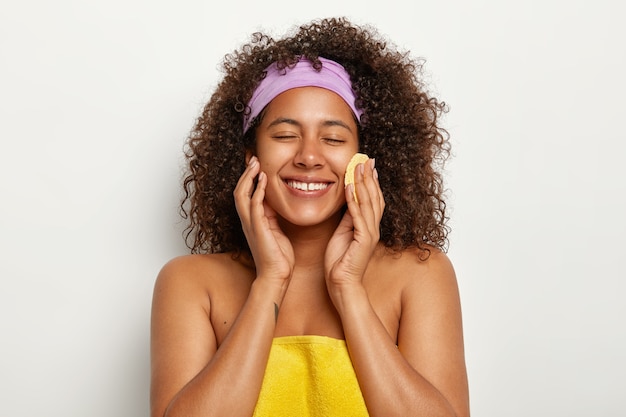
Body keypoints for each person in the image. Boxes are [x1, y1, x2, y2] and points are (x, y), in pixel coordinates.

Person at [150, 16, 469, 417]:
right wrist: (270, 281)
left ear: (364, 161)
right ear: (251, 158)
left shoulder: (421, 273)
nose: (309, 157)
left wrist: (348, 289)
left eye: (333, 138)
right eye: (285, 135)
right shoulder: (190, 284)